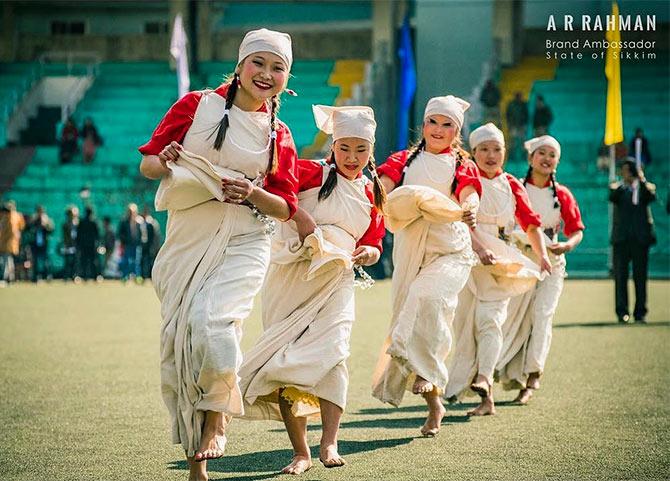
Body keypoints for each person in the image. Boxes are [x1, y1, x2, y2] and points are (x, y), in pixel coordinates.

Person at [138, 28, 298, 481]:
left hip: (247, 240)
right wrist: (166, 159)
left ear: (287, 76)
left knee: (212, 324)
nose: (266, 74)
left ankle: (218, 415)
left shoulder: (278, 133)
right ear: (241, 64)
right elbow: (149, 164)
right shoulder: (195, 106)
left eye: (277, 67)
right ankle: (196, 464)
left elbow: (286, 206)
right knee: (184, 342)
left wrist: (251, 191)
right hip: (188, 240)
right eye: (259, 63)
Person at [239, 105, 385, 474]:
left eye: (361, 150)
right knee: (285, 362)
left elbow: (374, 241)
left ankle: (329, 440)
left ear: (371, 151)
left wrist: (369, 251)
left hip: (337, 282)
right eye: (345, 148)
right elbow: (276, 191)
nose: (353, 158)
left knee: (334, 355)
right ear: (333, 146)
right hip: (292, 276)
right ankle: (301, 452)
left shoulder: (372, 192)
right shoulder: (309, 171)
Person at [371, 95, 481, 436]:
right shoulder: (403, 159)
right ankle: (435, 404)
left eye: (447, 124)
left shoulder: (462, 163)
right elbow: (384, 187)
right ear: (424, 125)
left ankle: (427, 373)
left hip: (451, 250)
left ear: (457, 132)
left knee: (428, 299)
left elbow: (469, 192)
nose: (438, 129)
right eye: (433, 122)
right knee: (414, 313)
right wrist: (374, 192)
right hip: (410, 251)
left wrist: (471, 206)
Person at [445, 124, 551, 416]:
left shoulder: (512, 184)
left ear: (505, 152)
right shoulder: (465, 179)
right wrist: (478, 247)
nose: (491, 155)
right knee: (464, 326)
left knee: (489, 321)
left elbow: (530, 222)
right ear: (474, 152)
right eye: (484, 150)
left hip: (500, 260)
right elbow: (461, 219)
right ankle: (484, 398)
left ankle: (483, 377)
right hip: (468, 256)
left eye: (497, 149)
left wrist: (541, 255)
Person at [496, 135, 584, 405]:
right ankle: (509, 372)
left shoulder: (563, 195)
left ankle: (534, 373)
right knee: (516, 318)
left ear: (557, 161)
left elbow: (576, 230)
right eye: (541, 153)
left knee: (542, 315)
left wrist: (566, 246)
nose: (547, 159)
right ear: (531, 158)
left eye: (552, 155)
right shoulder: (515, 189)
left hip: (552, 264)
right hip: (521, 261)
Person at [609, 159, 656, 323]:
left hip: (640, 240)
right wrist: (625, 184)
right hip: (621, 240)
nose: (625, 174)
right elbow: (613, 196)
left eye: (629, 171)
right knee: (621, 277)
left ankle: (640, 312)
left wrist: (641, 180)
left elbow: (651, 197)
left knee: (640, 277)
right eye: (623, 171)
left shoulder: (644, 189)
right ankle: (622, 312)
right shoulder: (618, 188)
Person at [0, 201, 25, 285]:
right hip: (10, 243)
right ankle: (11, 278)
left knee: (6, 260)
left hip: (7, 243)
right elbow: (21, 227)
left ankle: (6, 278)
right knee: (9, 260)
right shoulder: (16, 215)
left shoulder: (10, 217)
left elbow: (11, 231)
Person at [117, 203, 143, 282]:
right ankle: (125, 276)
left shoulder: (139, 221)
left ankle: (137, 276)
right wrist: (123, 241)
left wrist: (140, 242)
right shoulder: (124, 221)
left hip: (136, 244)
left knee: (137, 261)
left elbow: (141, 234)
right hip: (127, 244)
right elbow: (120, 233)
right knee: (126, 260)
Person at [28, 205, 54, 282]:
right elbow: (28, 228)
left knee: (46, 260)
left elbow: (51, 230)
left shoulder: (47, 219)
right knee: (35, 260)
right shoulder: (33, 219)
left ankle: (47, 276)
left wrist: (45, 225)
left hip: (44, 243)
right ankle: (36, 276)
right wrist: (34, 223)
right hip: (35, 243)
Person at [77, 206, 100, 281]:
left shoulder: (82, 221)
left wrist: (79, 244)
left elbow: (78, 234)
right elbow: (97, 234)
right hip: (92, 245)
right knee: (93, 261)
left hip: (83, 244)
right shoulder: (94, 221)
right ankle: (95, 276)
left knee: (84, 261)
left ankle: (84, 276)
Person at [140, 205, 161, 280]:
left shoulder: (151, 223)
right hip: (146, 245)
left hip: (151, 246)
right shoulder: (145, 222)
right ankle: (145, 276)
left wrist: (154, 246)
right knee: (144, 261)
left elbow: (155, 236)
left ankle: (150, 276)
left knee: (151, 262)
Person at [505, 92, 528, 161]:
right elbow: (508, 115)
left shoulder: (523, 105)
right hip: (514, 125)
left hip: (520, 126)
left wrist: (524, 125)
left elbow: (526, 115)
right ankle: (512, 156)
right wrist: (509, 124)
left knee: (521, 142)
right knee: (513, 142)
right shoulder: (512, 105)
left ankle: (523, 156)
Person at [61, 205, 80, 281]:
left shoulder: (78, 223)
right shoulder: (65, 224)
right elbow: (65, 236)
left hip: (76, 245)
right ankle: (66, 276)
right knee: (67, 261)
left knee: (76, 261)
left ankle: (75, 275)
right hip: (68, 245)